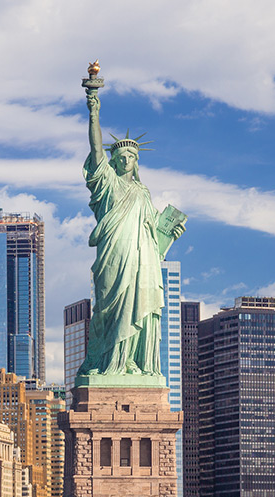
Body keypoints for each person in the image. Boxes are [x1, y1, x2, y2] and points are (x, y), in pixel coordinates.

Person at [78, 89, 185, 380]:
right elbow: (97, 150)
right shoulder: (108, 184)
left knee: (143, 305)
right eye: (122, 155)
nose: (126, 159)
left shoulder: (143, 192)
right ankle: (112, 361)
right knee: (112, 308)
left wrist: (170, 233)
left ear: (137, 162)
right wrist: (94, 112)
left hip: (144, 259)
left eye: (131, 156)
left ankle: (134, 362)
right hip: (115, 254)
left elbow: (154, 236)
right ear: (114, 161)